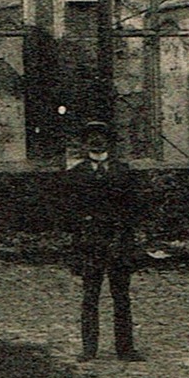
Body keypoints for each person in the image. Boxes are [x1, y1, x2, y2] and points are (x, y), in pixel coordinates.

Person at [66, 120, 144, 362]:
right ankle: (89, 349)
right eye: (91, 137)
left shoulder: (124, 172)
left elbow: (136, 208)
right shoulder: (75, 175)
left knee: (121, 297)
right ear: (84, 143)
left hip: (119, 241)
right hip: (90, 244)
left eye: (101, 136)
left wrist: (127, 236)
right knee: (90, 296)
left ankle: (126, 348)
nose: (96, 141)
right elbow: (68, 211)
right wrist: (79, 240)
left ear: (109, 141)